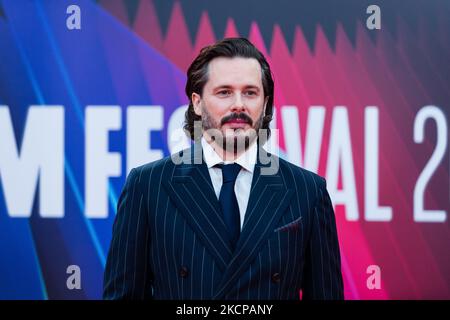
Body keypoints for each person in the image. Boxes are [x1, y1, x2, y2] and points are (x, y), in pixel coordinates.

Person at [103, 37, 344, 300]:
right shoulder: (147, 185)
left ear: (264, 105)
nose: (238, 104)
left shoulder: (307, 191)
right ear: (197, 102)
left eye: (250, 93)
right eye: (224, 92)